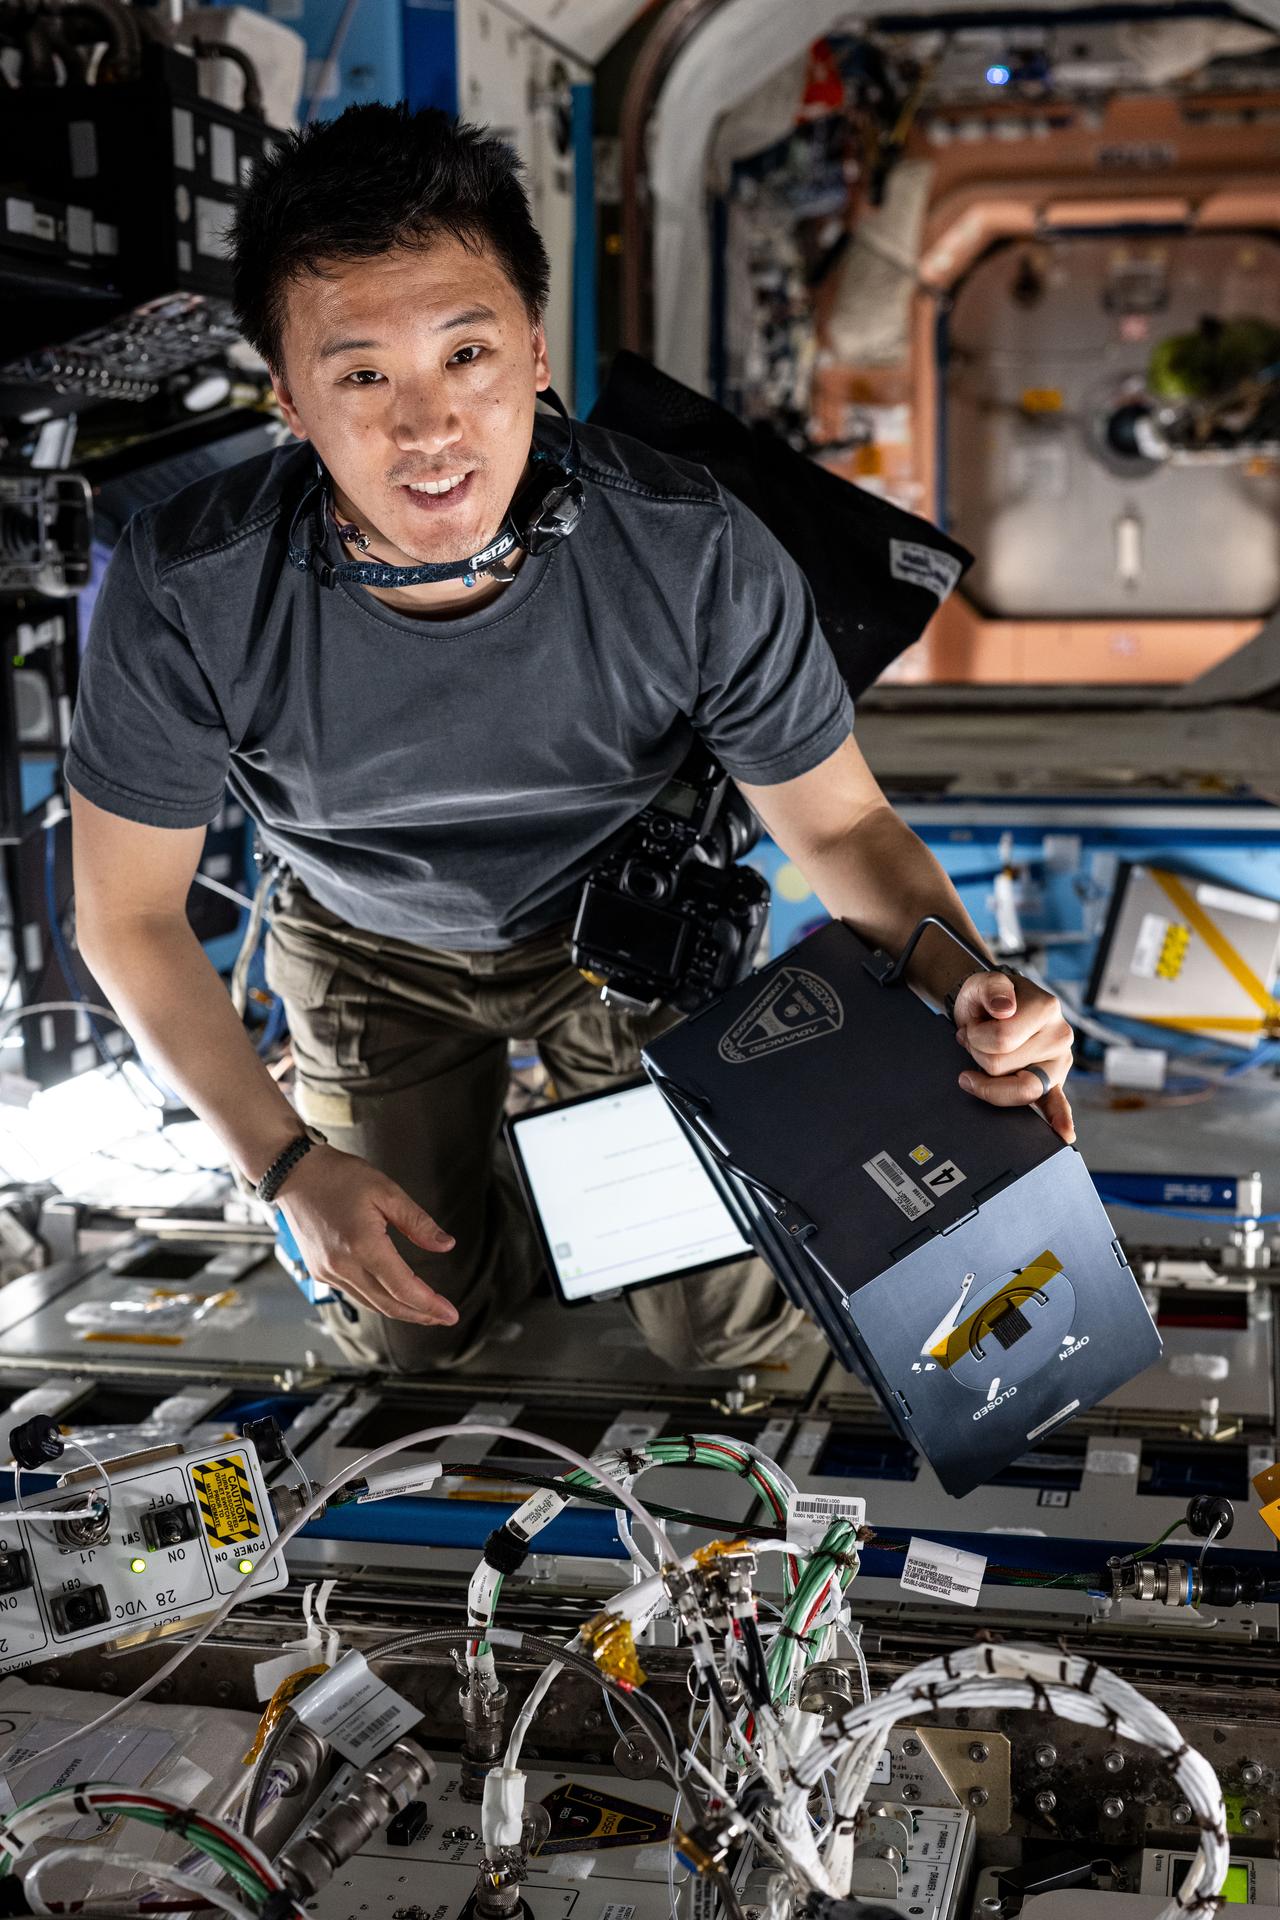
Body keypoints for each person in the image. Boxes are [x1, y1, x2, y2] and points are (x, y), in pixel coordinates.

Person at [67, 104, 1075, 1375]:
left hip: (623, 925)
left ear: (535, 353)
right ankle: (494, 1151)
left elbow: (840, 824)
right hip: (361, 937)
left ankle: (562, 1134)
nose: (428, 428)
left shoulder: (692, 551)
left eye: (467, 353)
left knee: (717, 1337)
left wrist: (963, 984)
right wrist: (284, 1167)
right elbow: (128, 917)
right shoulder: (188, 584)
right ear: (289, 399)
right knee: (412, 1333)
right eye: (362, 373)